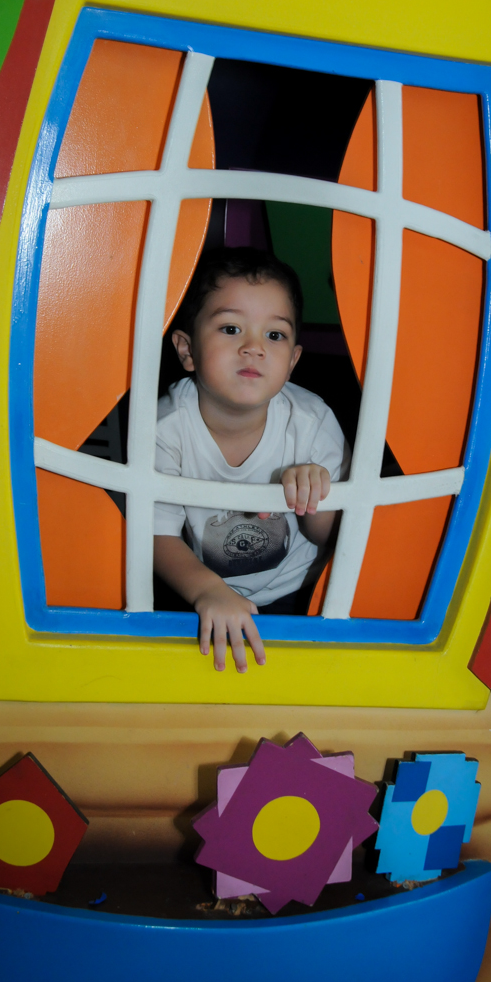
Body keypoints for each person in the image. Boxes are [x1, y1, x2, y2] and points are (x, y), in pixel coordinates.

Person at [154, 248, 348, 675]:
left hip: (299, 583)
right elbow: (156, 534)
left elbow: (330, 536)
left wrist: (313, 493)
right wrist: (206, 590)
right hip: (199, 580)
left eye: (274, 335)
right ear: (187, 350)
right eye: (231, 328)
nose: (254, 347)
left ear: (292, 361)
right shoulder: (166, 429)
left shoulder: (311, 423)